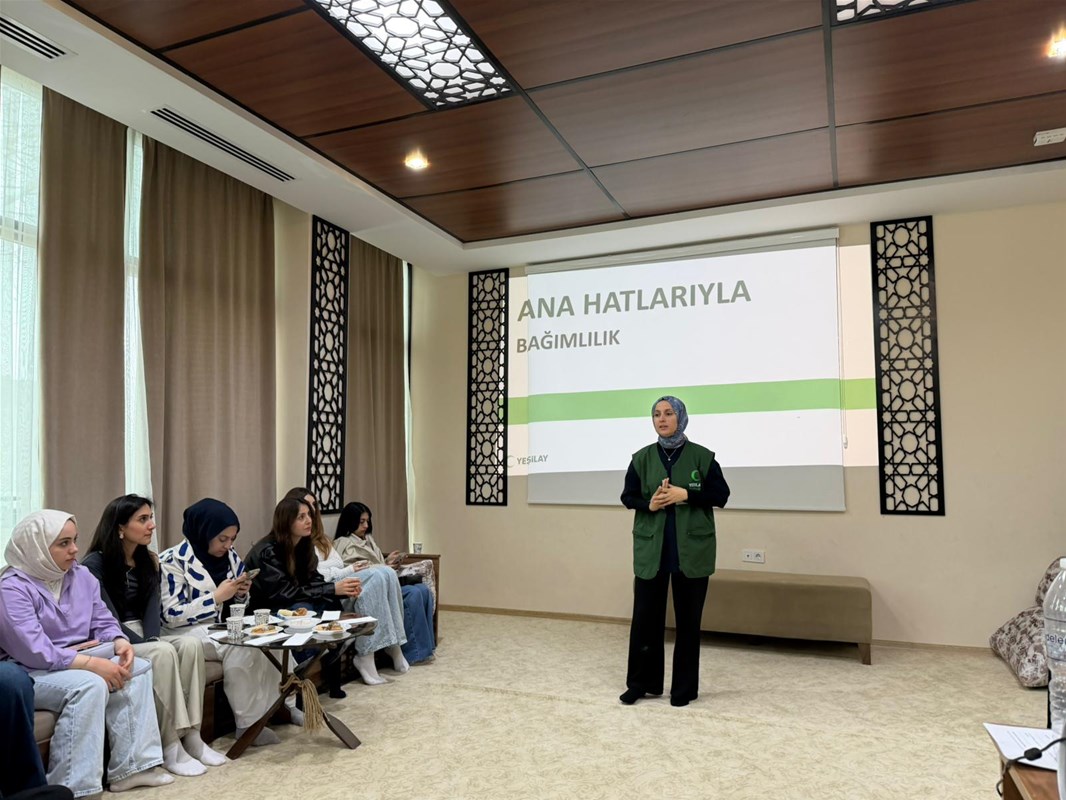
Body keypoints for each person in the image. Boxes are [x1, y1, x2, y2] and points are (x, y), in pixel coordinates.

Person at [0, 510, 173, 796]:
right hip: (31, 670)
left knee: (138, 666)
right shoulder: (12, 588)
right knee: (89, 685)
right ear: (37, 547)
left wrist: (119, 640)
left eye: (75, 540)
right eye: (64, 543)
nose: (75, 549)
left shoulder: (80, 576)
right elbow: (33, 650)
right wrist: (91, 664)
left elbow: (103, 619)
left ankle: (132, 768)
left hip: (76, 659)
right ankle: (75, 787)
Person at [83, 495, 226, 775]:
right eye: (143, 519)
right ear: (120, 527)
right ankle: (171, 746)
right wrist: (145, 645)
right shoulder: (94, 565)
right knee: (162, 652)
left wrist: (151, 640)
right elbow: (107, 618)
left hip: (145, 634)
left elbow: (152, 608)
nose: (152, 525)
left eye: (151, 517)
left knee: (190, 644)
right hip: (113, 639)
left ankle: (193, 736)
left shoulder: (148, 559)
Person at [619, 396, 730, 707]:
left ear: (680, 418)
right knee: (645, 620)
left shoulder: (703, 457)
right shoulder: (641, 458)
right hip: (652, 551)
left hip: (691, 551)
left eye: (669, 413)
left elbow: (721, 495)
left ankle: (684, 689)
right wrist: (649, 504)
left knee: (688, 622)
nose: (662, 419)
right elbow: (628, 496)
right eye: (657, 414)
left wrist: (687, 494)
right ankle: (641, 684)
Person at [158, 499, 280, 746]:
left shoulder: (231, 557)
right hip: (181, 633)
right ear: (204, 532)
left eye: (232, 539)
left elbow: (236, 603)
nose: (228, 545)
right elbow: (170, 613)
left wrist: (241, 593)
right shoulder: (172, 561)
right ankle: (247, 725)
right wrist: (214, 598)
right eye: (222, 539)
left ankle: (279, 707)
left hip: (216, 627)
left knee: (270, 636)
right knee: (239, 644)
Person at [285, 488, 410, 683]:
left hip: (341, 579)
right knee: (377, 576)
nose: (311, 513)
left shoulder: (322, 540)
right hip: (330, 589)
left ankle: (394, 644)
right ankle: (366, 654)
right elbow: (317, 574)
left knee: (387, 572)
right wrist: (348, 570)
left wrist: (347, 569)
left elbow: (336, 565)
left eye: (314, 507)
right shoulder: (301, 544)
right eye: (306, 509)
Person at [244, 497, 362, 698]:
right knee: (305, 610)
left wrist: (337, 589)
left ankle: (330, 667)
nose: (309, 521)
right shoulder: (268, 550)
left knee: (332, 604)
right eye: (301, 517)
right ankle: (299, 683)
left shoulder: (304, 545)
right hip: (266, 611)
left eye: (309, 515)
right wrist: (332, 589)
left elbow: (314, 580)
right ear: (286, 521)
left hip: (291, 603)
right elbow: (283, 593)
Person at [334, 501, 435, 666]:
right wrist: (384, 567)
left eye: (367, 521)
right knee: (414, 593)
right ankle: (413, 652)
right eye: (361, 522)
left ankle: (426, 648)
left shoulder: (368, 540)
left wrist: (387, 562)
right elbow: (355, 571)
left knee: (423, 590)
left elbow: (376, 565)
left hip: (386, 582)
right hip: (370, 590)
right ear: (350, 521)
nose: (366, 526)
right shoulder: (343, 544)